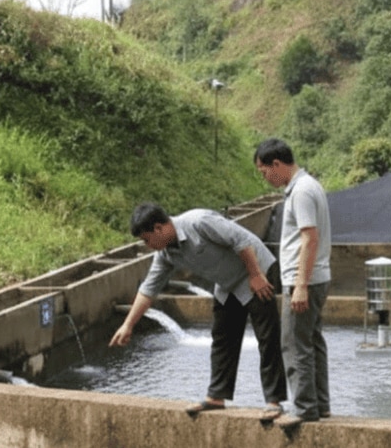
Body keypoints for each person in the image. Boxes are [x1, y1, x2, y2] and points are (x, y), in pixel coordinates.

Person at [109, 202, 287, 423]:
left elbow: (241, 240)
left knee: (267, 336)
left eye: (147, 240)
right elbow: (148, 289)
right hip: (227, 282)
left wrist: (256, 275)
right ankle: (216, 397)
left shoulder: (198, 222)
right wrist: (128, 325)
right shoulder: (165, 254)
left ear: (158, 228)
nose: (147, 246)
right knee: (222, 337)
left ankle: (274, 402)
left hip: (256, 268)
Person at [254, 137, 332, 428]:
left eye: (264, 171)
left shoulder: (301, 191)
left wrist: (300, 285)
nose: (265, 178)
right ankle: (320, 405)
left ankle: (304, 409)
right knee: (312, 342)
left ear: (276, 164)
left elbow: (309, 238)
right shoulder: (310, 185)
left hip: (304, 280)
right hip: (316, 277)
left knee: (294, 344)